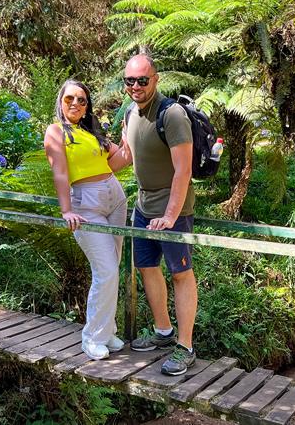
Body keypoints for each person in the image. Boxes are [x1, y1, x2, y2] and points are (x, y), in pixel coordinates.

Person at [120, 54, 198, 376]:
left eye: (142, 80)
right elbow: (125, 156)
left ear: (156, 79)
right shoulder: (129, 113)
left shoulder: (173, 115)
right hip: (142, 208)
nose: (136, 86)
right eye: (130, 81)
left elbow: (183, 170)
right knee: (146, 267)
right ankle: (163, 332)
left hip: (173, 211)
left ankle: (185, 346)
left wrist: (169, 215)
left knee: (181, 274)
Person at [44, 79, 132, 361]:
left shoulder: (91, 132)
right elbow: (59, 172)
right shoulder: (56, 132)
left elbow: (118, 162)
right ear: (61, 101)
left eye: (82, 100)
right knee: (106, 270)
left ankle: (107, 331)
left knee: (113, 268)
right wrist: (66, 210)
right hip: (87, 203)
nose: (75, 104)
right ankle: (92, 337)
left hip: (115, 198)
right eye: (70, 98)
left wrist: (127, 137)